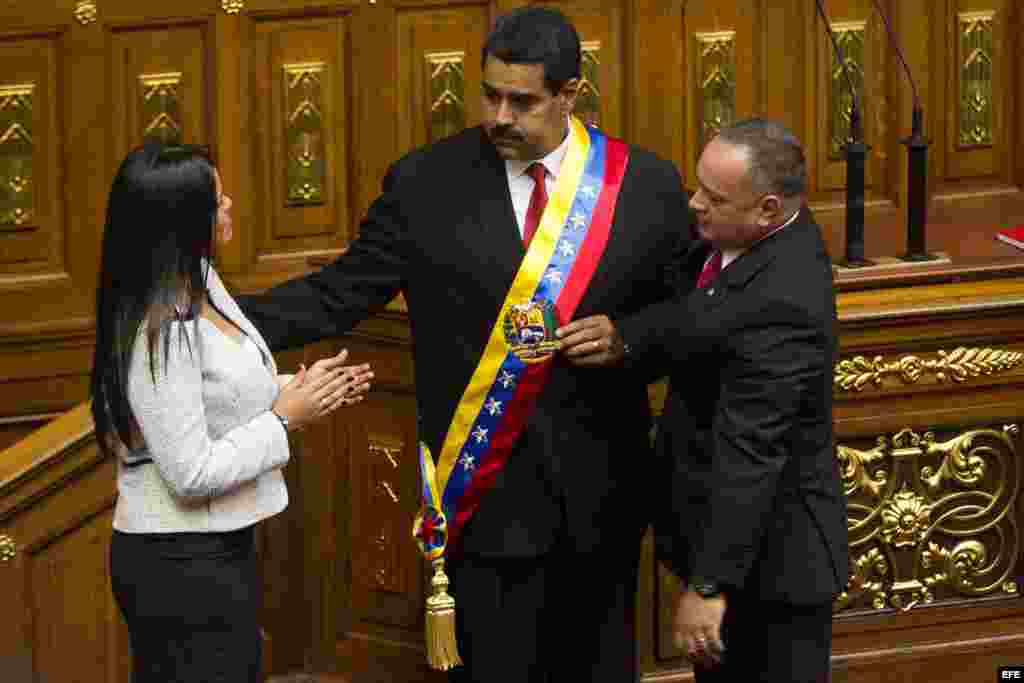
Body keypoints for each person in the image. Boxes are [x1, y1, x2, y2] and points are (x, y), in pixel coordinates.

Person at [236, 7, 691, 681]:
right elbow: (340, 293)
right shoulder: (425, 182)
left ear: (570, 94)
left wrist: (632, 338)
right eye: (491, 95)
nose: (500, 116)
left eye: (523, 101)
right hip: (484, 498)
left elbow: (688, 311)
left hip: (602, 499)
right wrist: (214, 318)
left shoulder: (643, 186)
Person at [562, 118, 849, 682]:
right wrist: (630, 337)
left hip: (772, 571)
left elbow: (751, 452)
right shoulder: (748, 239)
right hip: (735, 549)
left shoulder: (786, 300)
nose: (694, 205)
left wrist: (709, 585)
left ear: (767, 209)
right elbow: (704, 311)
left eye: (713, 198)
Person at [90, 143, 373, 683]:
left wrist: (308, 388)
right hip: (176, 564)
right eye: (216, 200)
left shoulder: (202, 281)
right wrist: (285, 418)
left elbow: (223, 395)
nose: (230, 206)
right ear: (182, 221)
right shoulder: (160, 329)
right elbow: (189, 473)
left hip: (218, 549)